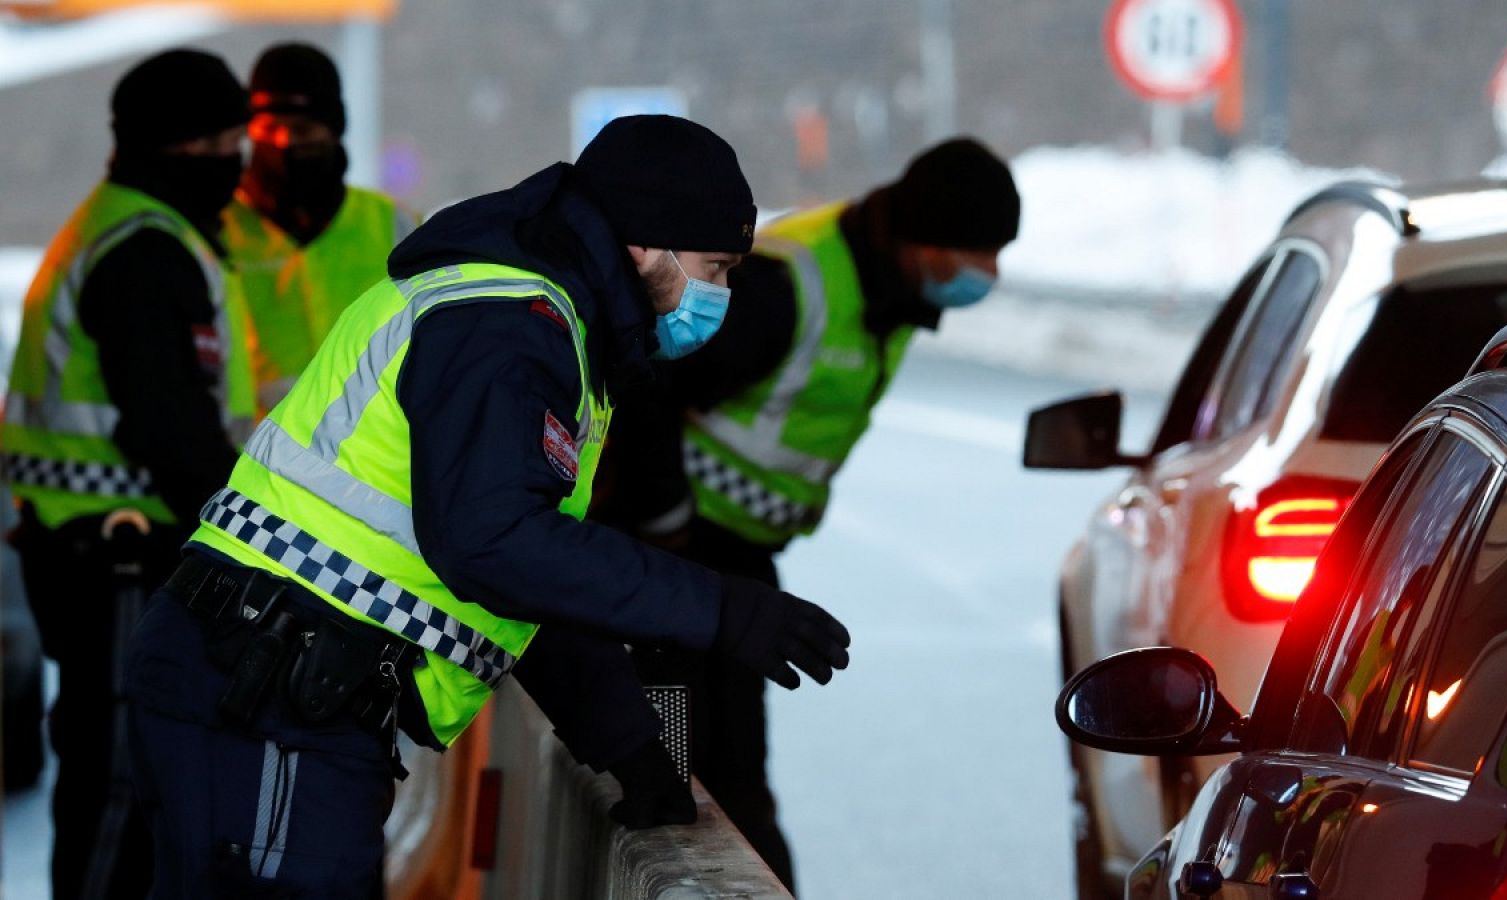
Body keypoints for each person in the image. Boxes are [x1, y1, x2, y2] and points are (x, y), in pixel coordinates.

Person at [122, 114, 853, 896]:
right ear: (643, 245)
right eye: (717, 266)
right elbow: (494, 542)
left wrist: (629, 742)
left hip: (279, 686)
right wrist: (721, 610)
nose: (723, 293)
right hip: (272, 693)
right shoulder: (507, 320)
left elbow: (526, 570)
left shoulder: (551, 323)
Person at [597, 136, 1021, 890]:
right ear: (921, 240)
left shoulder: (889, 284)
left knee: (724, 775)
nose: (986, 274)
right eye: (976, 253)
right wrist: (664, 521)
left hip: (732, 559)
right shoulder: (788, 287)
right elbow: (650, 389)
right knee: (690, 777)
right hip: (677, 558)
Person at [0, 49, 254, 900]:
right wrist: (255, 544)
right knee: (121, 777)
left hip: (99, 554)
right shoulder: (143, 253)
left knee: (131, 778)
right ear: (177, 146)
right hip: (119, 558)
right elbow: (169, 429)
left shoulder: (133, 229)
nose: (236, 159)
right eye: (223, 139)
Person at [223, 42, 417, 412]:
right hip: (251, 462)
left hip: (365, 461)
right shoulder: (218, 230)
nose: (284, 143)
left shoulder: (395, 227)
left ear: (334, 129)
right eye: (270, 127)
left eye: (303, 128)